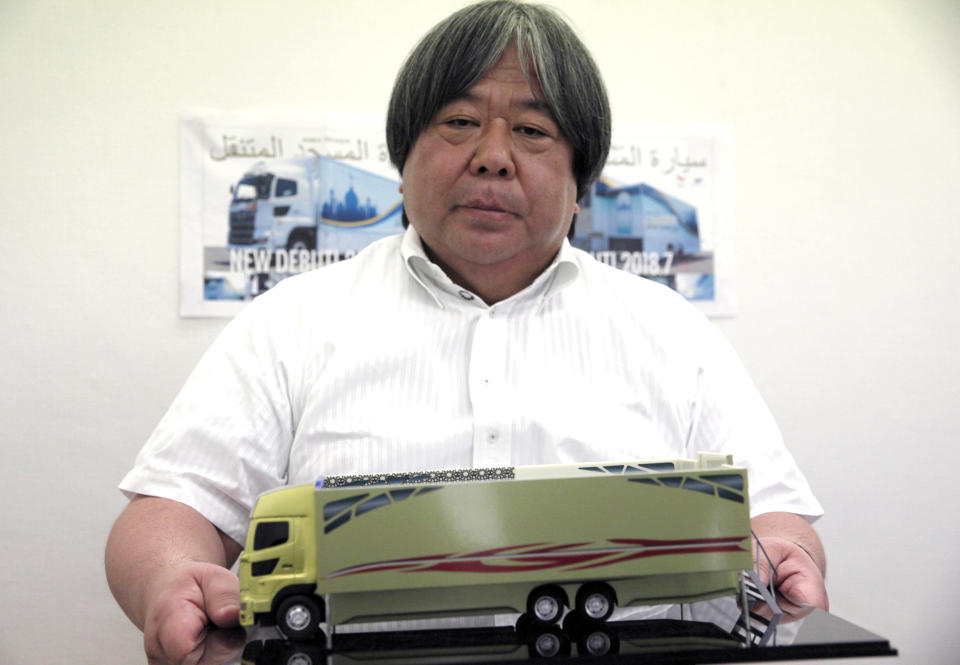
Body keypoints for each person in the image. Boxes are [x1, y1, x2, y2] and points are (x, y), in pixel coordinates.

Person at [105, 2, 828, 663]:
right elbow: (171, 509)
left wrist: (791, 556)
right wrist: (170, 576)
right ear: (401, 159)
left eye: (533, 130)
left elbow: (773, 517)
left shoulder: (673, 332)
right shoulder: (291, 322)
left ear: (582, 186)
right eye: (458, 121)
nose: (492, 154)